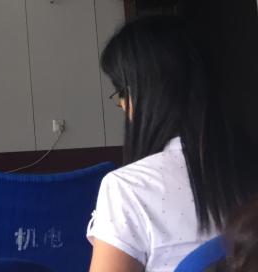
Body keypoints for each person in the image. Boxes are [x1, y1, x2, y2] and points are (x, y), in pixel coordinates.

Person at [87, 15, 258, 272]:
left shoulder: (127, 189)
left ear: (145, 94)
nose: (122, 106)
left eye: (121, 93)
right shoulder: (249, 168)